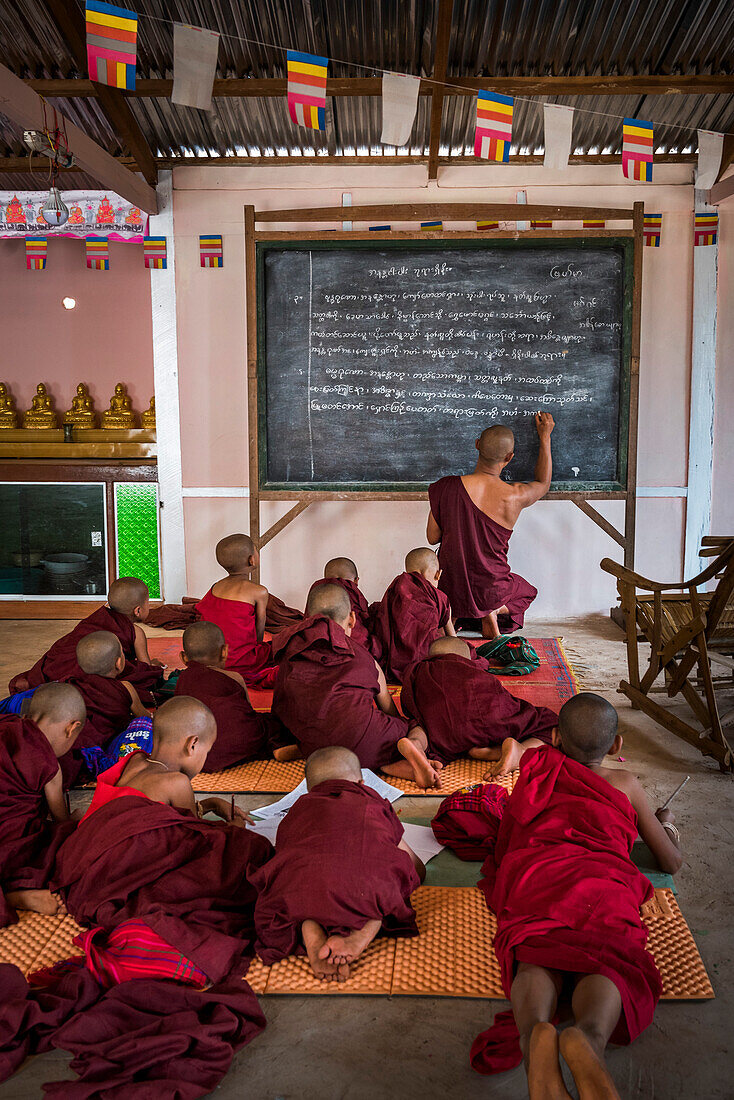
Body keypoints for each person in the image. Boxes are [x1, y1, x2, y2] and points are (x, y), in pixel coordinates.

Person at [471, 692, 682, 1097]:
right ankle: (589, 1038)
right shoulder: (625, 783)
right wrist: (665, 824)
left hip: (539, 877)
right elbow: (670, 862)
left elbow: (512, 832)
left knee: (535, 951)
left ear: (554, 738)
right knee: (607, 957)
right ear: (617, 745)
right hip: (603, 885)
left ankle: (534, 1034)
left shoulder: (538, 771)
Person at [253, 746, 423, 981]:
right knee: (388, 889)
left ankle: (309, 925)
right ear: (362, 782)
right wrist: (413, 875)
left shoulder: (299, 808)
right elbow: (413, 864)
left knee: (295, 887)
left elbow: (285, 851)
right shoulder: (373, 802)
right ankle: (366, 928)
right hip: (365, 888)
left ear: (310, 788)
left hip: (303, 888)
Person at [271, 584, 442, 789]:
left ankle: (386, 763)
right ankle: (411, 748)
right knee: (415, 727)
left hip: (317, 750)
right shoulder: (364, 657)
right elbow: (388, 709)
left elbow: (281, 706)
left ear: (308, 618)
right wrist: (401, 727)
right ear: (351, 619)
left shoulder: (292, 653)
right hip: (364, 738)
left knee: (319, 731)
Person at [427, 413, 555, 639]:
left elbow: (432, 537)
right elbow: (543, 483)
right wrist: (544, 436)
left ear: (477, 445)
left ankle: (454, 617)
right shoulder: (514, 496)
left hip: (451, 584)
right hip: (492, 586)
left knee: (454, 589)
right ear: (510, 457)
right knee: (526, 591)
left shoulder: (446, 487)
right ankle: (492, 611)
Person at [79, 696, 246, 826]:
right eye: (207, 751)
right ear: (192, 745)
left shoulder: (134, 759)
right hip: (121, 863)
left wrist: (213, 804)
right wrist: (235, 829)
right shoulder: (177, 782)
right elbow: (195, 839)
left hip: (90, 842)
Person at [0, 683, 85, 926]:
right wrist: (74, 819)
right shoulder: (49, 764)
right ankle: (12, 893)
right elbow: (60, 818)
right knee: (62, 838)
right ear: (71, 729)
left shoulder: (6, 725)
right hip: (6, 843)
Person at [400, 637, 557, 766]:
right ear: (467, 659)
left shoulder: (419, 670)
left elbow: (409, 705)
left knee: (418, 724)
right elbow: (496, 694)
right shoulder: (474, 670)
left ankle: (416, 744)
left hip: (443, 735)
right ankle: (519, 750)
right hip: (492, 722)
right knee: (548, 722)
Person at [8, 577, 163, 698]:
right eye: (147, 603)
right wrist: (153, 666)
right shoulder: (136, 632)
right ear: (137, 610)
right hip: (87, 671)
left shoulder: (96, 618)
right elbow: (145, 671)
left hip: (59, 664)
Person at [174, 621, 267, 771]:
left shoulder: (183, 679)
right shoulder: (234, 677)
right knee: (270, 725)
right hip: (236, 744)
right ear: (224, 651)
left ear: (184, 657)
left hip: (193, 751)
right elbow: (248, 714)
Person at [61, 631, 151, 786]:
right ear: (119, 663)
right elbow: (144, 715)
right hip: (103, 751)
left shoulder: (71, 684)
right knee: (144, 723)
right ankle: (120, 766)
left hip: (72, 746)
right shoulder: (125, 688)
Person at [196, 534, 276, 686]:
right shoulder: (259, 591)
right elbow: (260, 627)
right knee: (283, 646)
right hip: (243, 660)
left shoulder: (215, 587)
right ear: (251, 560)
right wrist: (257, 651)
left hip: (213, 658)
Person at [373, 548, 456, 684]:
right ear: (438, 574)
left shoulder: (396, 587)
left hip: (391, 662)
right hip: (421, 663)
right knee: (467, 653)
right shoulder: (439, 597)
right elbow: (452, 638)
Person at [308, 556, 382, 660]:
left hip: (316, 647)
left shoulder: (317, 590)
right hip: (353, 647)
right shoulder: (352, 593)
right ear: (356, 581)